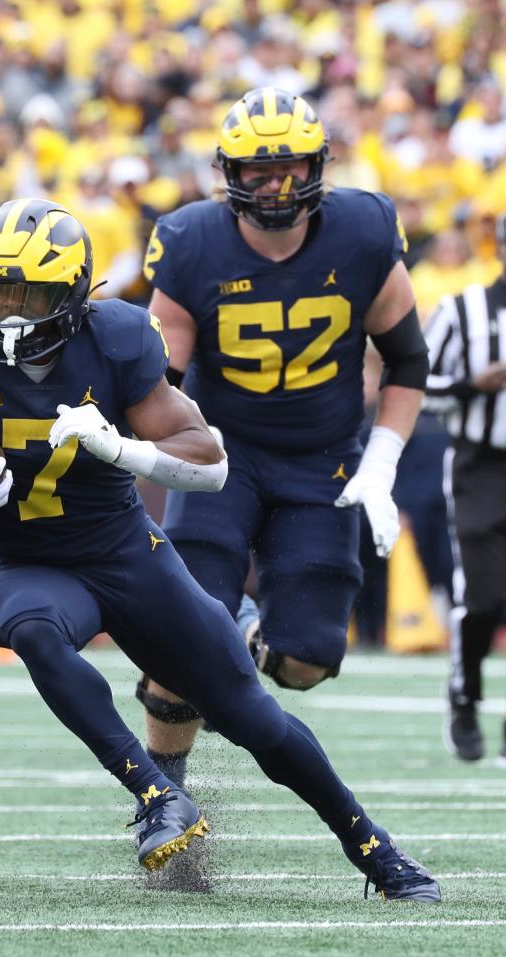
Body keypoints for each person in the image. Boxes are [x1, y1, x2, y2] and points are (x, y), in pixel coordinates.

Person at [0, 196, 440, 901]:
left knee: (255, 718)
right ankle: (154, 794)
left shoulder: (116, 337)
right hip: (31, 562)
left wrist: (121, 446)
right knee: (34, 630)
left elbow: (209, 461)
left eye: (30, 296)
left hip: (127, 554)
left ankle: (376, 849)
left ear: (77, 295)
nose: (10, 316)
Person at [136, 88, 429, 788]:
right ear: (228, 174)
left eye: (290, 169)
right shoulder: (191, 242)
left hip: (324, 457)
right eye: (259, 172)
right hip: (219, 457)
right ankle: (164, 792)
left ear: (318, 166)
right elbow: (156, 383)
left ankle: (239, 629)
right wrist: (144, 454)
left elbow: (408, 359)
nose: (275, 187)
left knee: (307, 659)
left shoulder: (362, 230)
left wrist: (382, 459)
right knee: (178, 646)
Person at [424, 211, 506, 765]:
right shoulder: (462, 310)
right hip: (481, 466)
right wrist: (468, 384)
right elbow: (417, 381)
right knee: (483, 597)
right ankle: (465, 697)